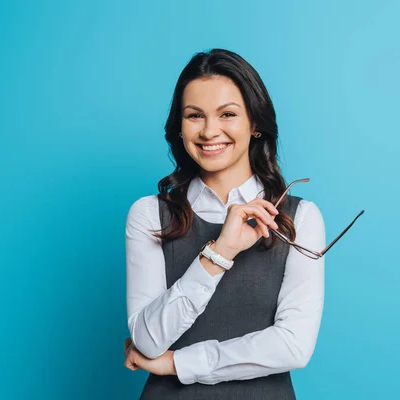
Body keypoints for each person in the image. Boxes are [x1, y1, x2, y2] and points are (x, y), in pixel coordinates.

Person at [124, 48, 325, 399]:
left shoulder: (300, 218)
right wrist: (221, 251)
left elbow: (294, 346)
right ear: (180, 128)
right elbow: (147, 341)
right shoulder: (148, 215)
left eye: (227, 114)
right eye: (194, 116)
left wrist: (178, 364)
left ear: (256, 124)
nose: (209, 131)